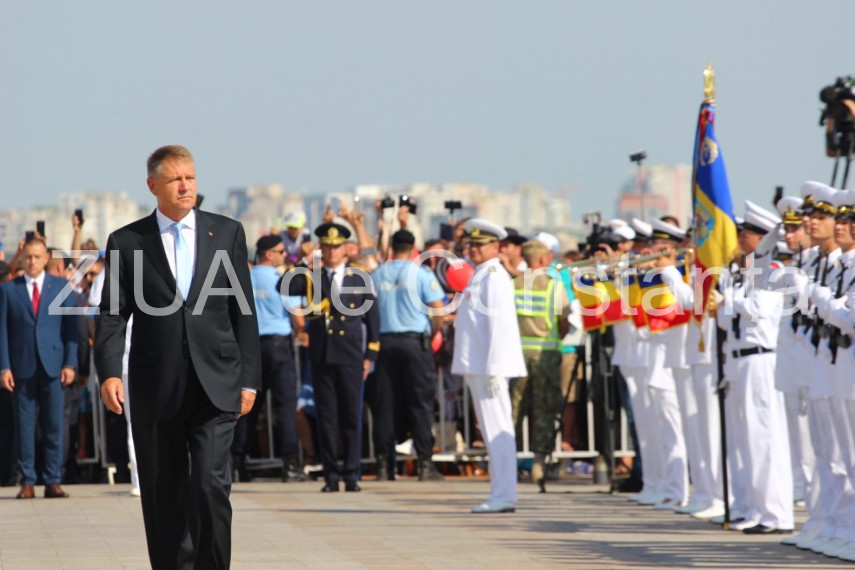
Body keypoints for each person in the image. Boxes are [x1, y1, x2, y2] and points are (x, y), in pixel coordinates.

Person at [95, 145, 262, 570]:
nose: (185, 186)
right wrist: (109, 372)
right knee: (163, 494)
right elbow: (112, 313)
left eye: (190, 177)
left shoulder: (227, 232)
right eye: (175, 179)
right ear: (153, 186)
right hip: (157, 384)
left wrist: (249, 379)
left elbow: (243, 311)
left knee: (209, 485)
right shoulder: (127, 242)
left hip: (216, 382)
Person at [281, 222, 380, 493]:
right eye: (327, 246)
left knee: (351, 416)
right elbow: (284, 286)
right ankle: (331, 476)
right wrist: (304, 260)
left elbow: (373, 318)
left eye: (336, 246)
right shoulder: (312, 275)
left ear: (345, 248)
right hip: (322, 354)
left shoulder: (359, 276)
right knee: (327, 417)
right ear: (321, 248)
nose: (332, 251)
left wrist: (371, 353)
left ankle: (351, 474)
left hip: (350, 354)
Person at [451, 218, 527, 513]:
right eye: (471, 244)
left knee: (498, 431)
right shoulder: (481, 275)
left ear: (496, 247)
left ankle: (504, 495)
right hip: (479, 365)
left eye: (480, 245)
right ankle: (500, 492)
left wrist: (495, 368)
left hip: (488, 367)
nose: (474, 249)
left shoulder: (494, 277)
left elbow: (500, 326)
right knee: (491, 431)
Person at [0, 236, 78, 499]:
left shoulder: (61, 287)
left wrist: (70, 363)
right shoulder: (9, 290)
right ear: (22, 258)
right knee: (24, 426)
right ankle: (28, 480)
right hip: (21, 367)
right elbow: (2, 332)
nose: (32, 262)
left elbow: (71, 331)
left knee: (54, 424)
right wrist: (4, 367)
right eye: (28, 257)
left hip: (54, 365)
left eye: (37, 257)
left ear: (46, 259)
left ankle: (53, 479)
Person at [369, 229, 445, 481]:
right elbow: (438, 310)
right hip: (414, 343)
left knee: (384, 404)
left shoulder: (377, 274)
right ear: (413, 249)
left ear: (392, 247)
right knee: (420, 402)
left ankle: (383, 465)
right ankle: (424, 464)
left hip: (385, 343)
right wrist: (431, 333)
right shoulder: (422, 274)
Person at [232, 234, 306, 483]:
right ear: (269, 254)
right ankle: (290, 465)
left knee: (247, 406)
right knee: (285, 408)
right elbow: (298, 318)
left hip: (249, 347)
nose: (285, 256)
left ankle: (237, 463)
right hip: (278, 346)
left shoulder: (245, 278)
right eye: (281, 252)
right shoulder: (281, 280)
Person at [511, 240, 570, 492]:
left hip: (517, 355)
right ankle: (538, 463)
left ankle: (507, 461)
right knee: (544, 409)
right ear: (543, 260)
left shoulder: (513, 285)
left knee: (514, 409)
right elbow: (565, 321)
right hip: (546, 353)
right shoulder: (553, 286)